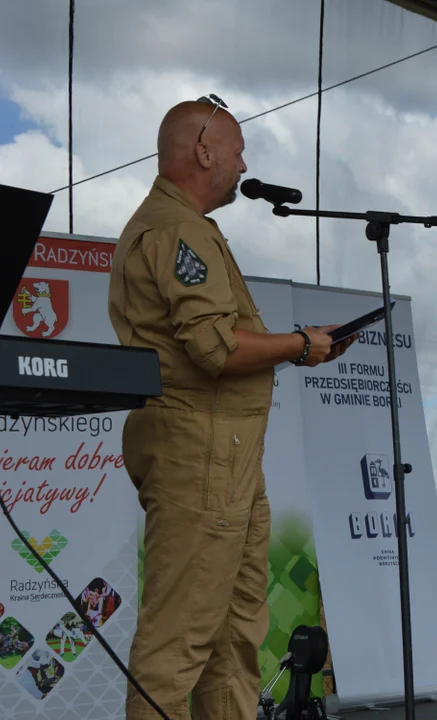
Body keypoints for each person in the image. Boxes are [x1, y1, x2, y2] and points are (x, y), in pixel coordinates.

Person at [108, 96, 354, 719]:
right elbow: (214, 347)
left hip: (228, 453)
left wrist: (302, 346)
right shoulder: (178, 228)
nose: (245, 165)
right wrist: (300, 344)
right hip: (202, 451)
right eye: (239, 150)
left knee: (235, 637)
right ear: (204, 150)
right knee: (180, 643)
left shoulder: (187, 225)